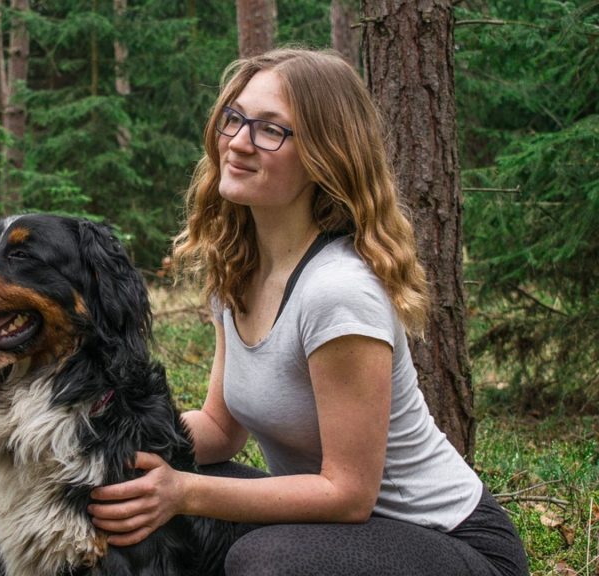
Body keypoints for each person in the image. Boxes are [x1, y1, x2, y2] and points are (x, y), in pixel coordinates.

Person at [87, 48, 529, 576]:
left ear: (326, 154)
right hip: (341, 532)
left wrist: (183, 491)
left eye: (271, 130)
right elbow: (219, 430)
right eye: (235, 118)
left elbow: (347, 494)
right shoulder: (239, 270)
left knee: (261, 558)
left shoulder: (338, 291)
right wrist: (94, 437)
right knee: (141, 491)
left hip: (448, 544)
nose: (239, 142)